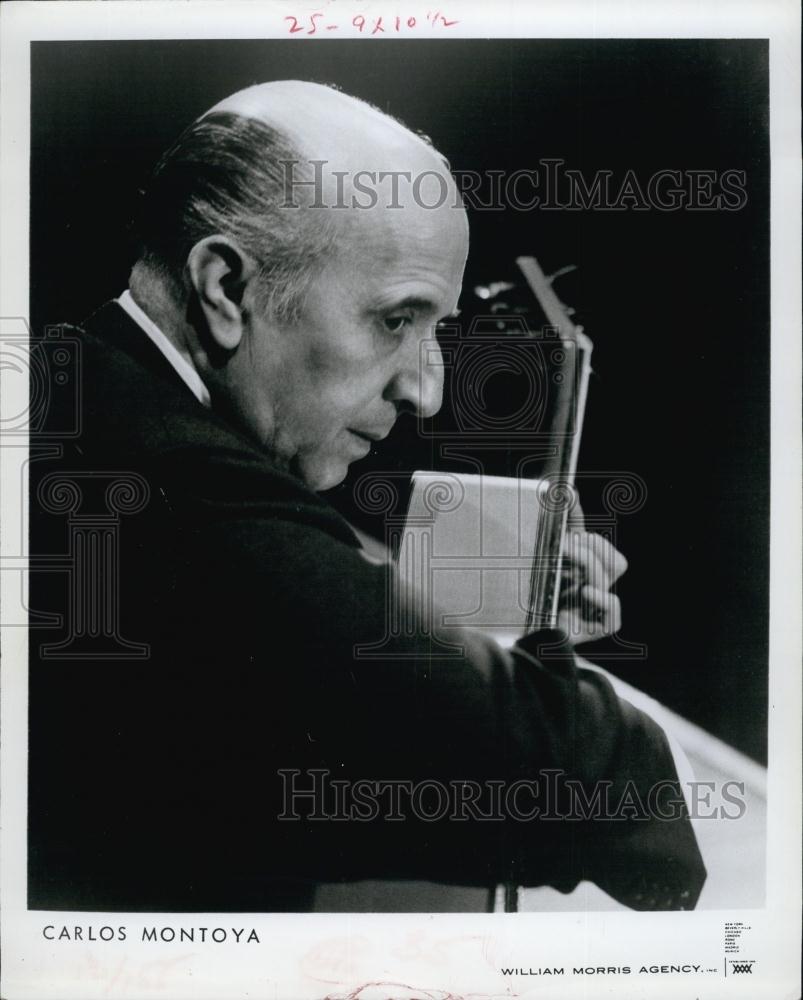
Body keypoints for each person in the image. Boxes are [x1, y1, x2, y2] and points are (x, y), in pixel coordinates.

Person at [28, 81, 705, 912]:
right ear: (224, 289)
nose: (426, 391)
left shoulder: (79, 394)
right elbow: (597, 780)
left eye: (436, 329)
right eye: (395, 320)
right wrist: (538, 674)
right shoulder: (180, 493)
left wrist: (486, 628)